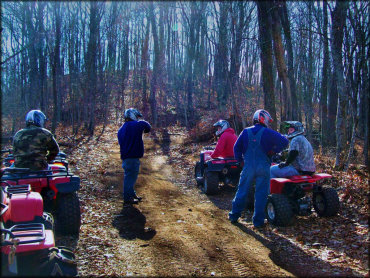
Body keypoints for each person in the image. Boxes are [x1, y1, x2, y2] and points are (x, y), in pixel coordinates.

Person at [229, 109, 289, 228]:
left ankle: (234, 216)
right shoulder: (268, 132)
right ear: (264, 119)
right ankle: (258, 222)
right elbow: (285, 141)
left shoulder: (245, 132)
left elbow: (236, 148)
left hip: (248, 167)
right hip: (263, 167)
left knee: (242, 191)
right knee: (261, 194)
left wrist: (240, 161)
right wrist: (274, 151)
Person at [117, 108, 151, 205]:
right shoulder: (137, 124)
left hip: (125, 157)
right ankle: (127, 198)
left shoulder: (121, 129)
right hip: (132, 157)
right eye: (136, 116)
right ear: (133, 116)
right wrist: (144, 129)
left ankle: (132, 194)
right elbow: (147, 126)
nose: (137, 118)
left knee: (130, 176)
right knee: (130, 178)